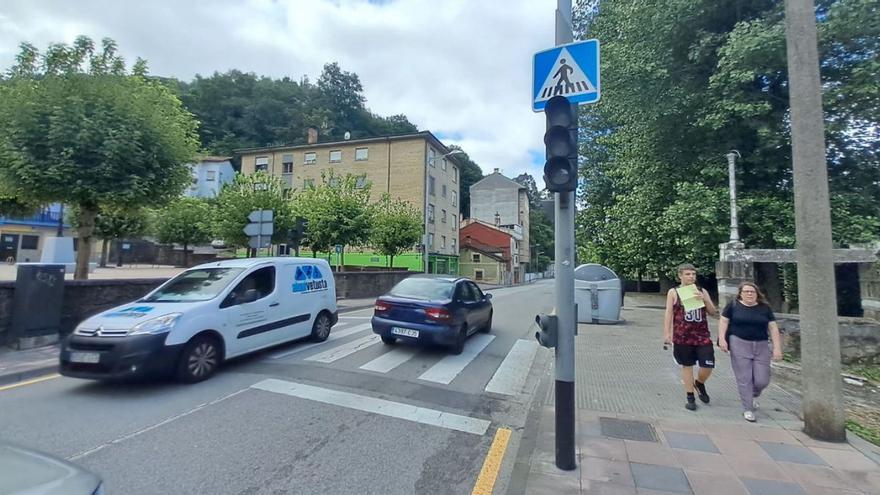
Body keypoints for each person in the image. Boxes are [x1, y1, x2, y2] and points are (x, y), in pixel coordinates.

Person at [718, 282, 782, 422]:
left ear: (757, 294)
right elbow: (723, 322)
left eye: (752, 292)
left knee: (762, 380)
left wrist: (777, 348)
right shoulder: (733, 306)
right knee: (744, 378)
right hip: (738, 343)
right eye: (746, 291)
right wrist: (722, 339)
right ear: (740, 293)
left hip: (761, 345)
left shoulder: (764, 308)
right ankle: (748, 408)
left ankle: (752, 394)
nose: (749, 294)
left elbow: (773, 328)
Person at [663, 264, 718, 411]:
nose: (691, 277)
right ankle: (690, 396)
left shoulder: (701, 291)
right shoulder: (674, 292)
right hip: (682, 335)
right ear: (680, 275)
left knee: (708, 364)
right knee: (687, 365)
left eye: (693, 274)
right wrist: (667, 333)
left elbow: (713, 312)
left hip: (702, 335)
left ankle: (699, 383)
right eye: (688, 274)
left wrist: (704, 300)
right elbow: (669, 313)